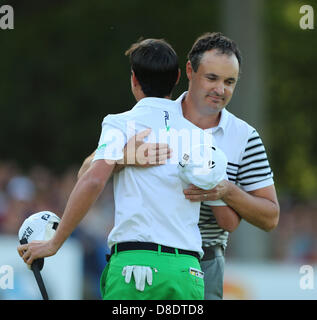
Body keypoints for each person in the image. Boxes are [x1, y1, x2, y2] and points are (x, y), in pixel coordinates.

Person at [18, 38, 238, 300]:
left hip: (135, 271)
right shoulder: (201, 136)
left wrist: (55, 242)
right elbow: (225, 213)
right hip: (187, 272)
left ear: (133, 79)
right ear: (178, 77)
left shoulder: (120, 124)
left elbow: (91, 180)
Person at [180, 32, 280, 299]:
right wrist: (124, 156)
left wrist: (226, 191)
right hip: (149, 258)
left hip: (205, 264)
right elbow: (93, 167)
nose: (220, 90)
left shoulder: (244, 136)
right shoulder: (156, 118)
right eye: (212, 78)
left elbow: (271, 217)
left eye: (229, 82)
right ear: (190, 71)